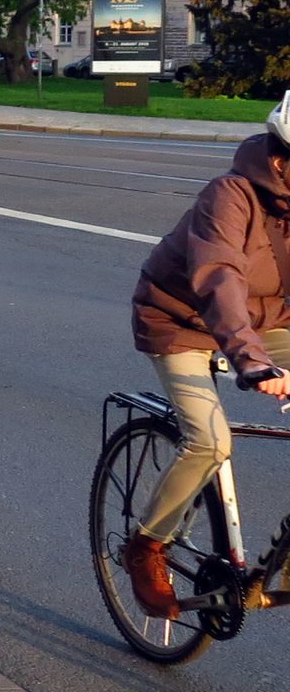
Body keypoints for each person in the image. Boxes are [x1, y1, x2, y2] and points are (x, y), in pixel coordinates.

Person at [124, 95, 290, 619]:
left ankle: (276, 571)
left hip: (265, 324)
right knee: (210, 441)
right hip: (183, 321)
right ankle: (146, 546)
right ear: (282, 161)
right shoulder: (232, 196)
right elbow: (220, 279)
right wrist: (252, 361)